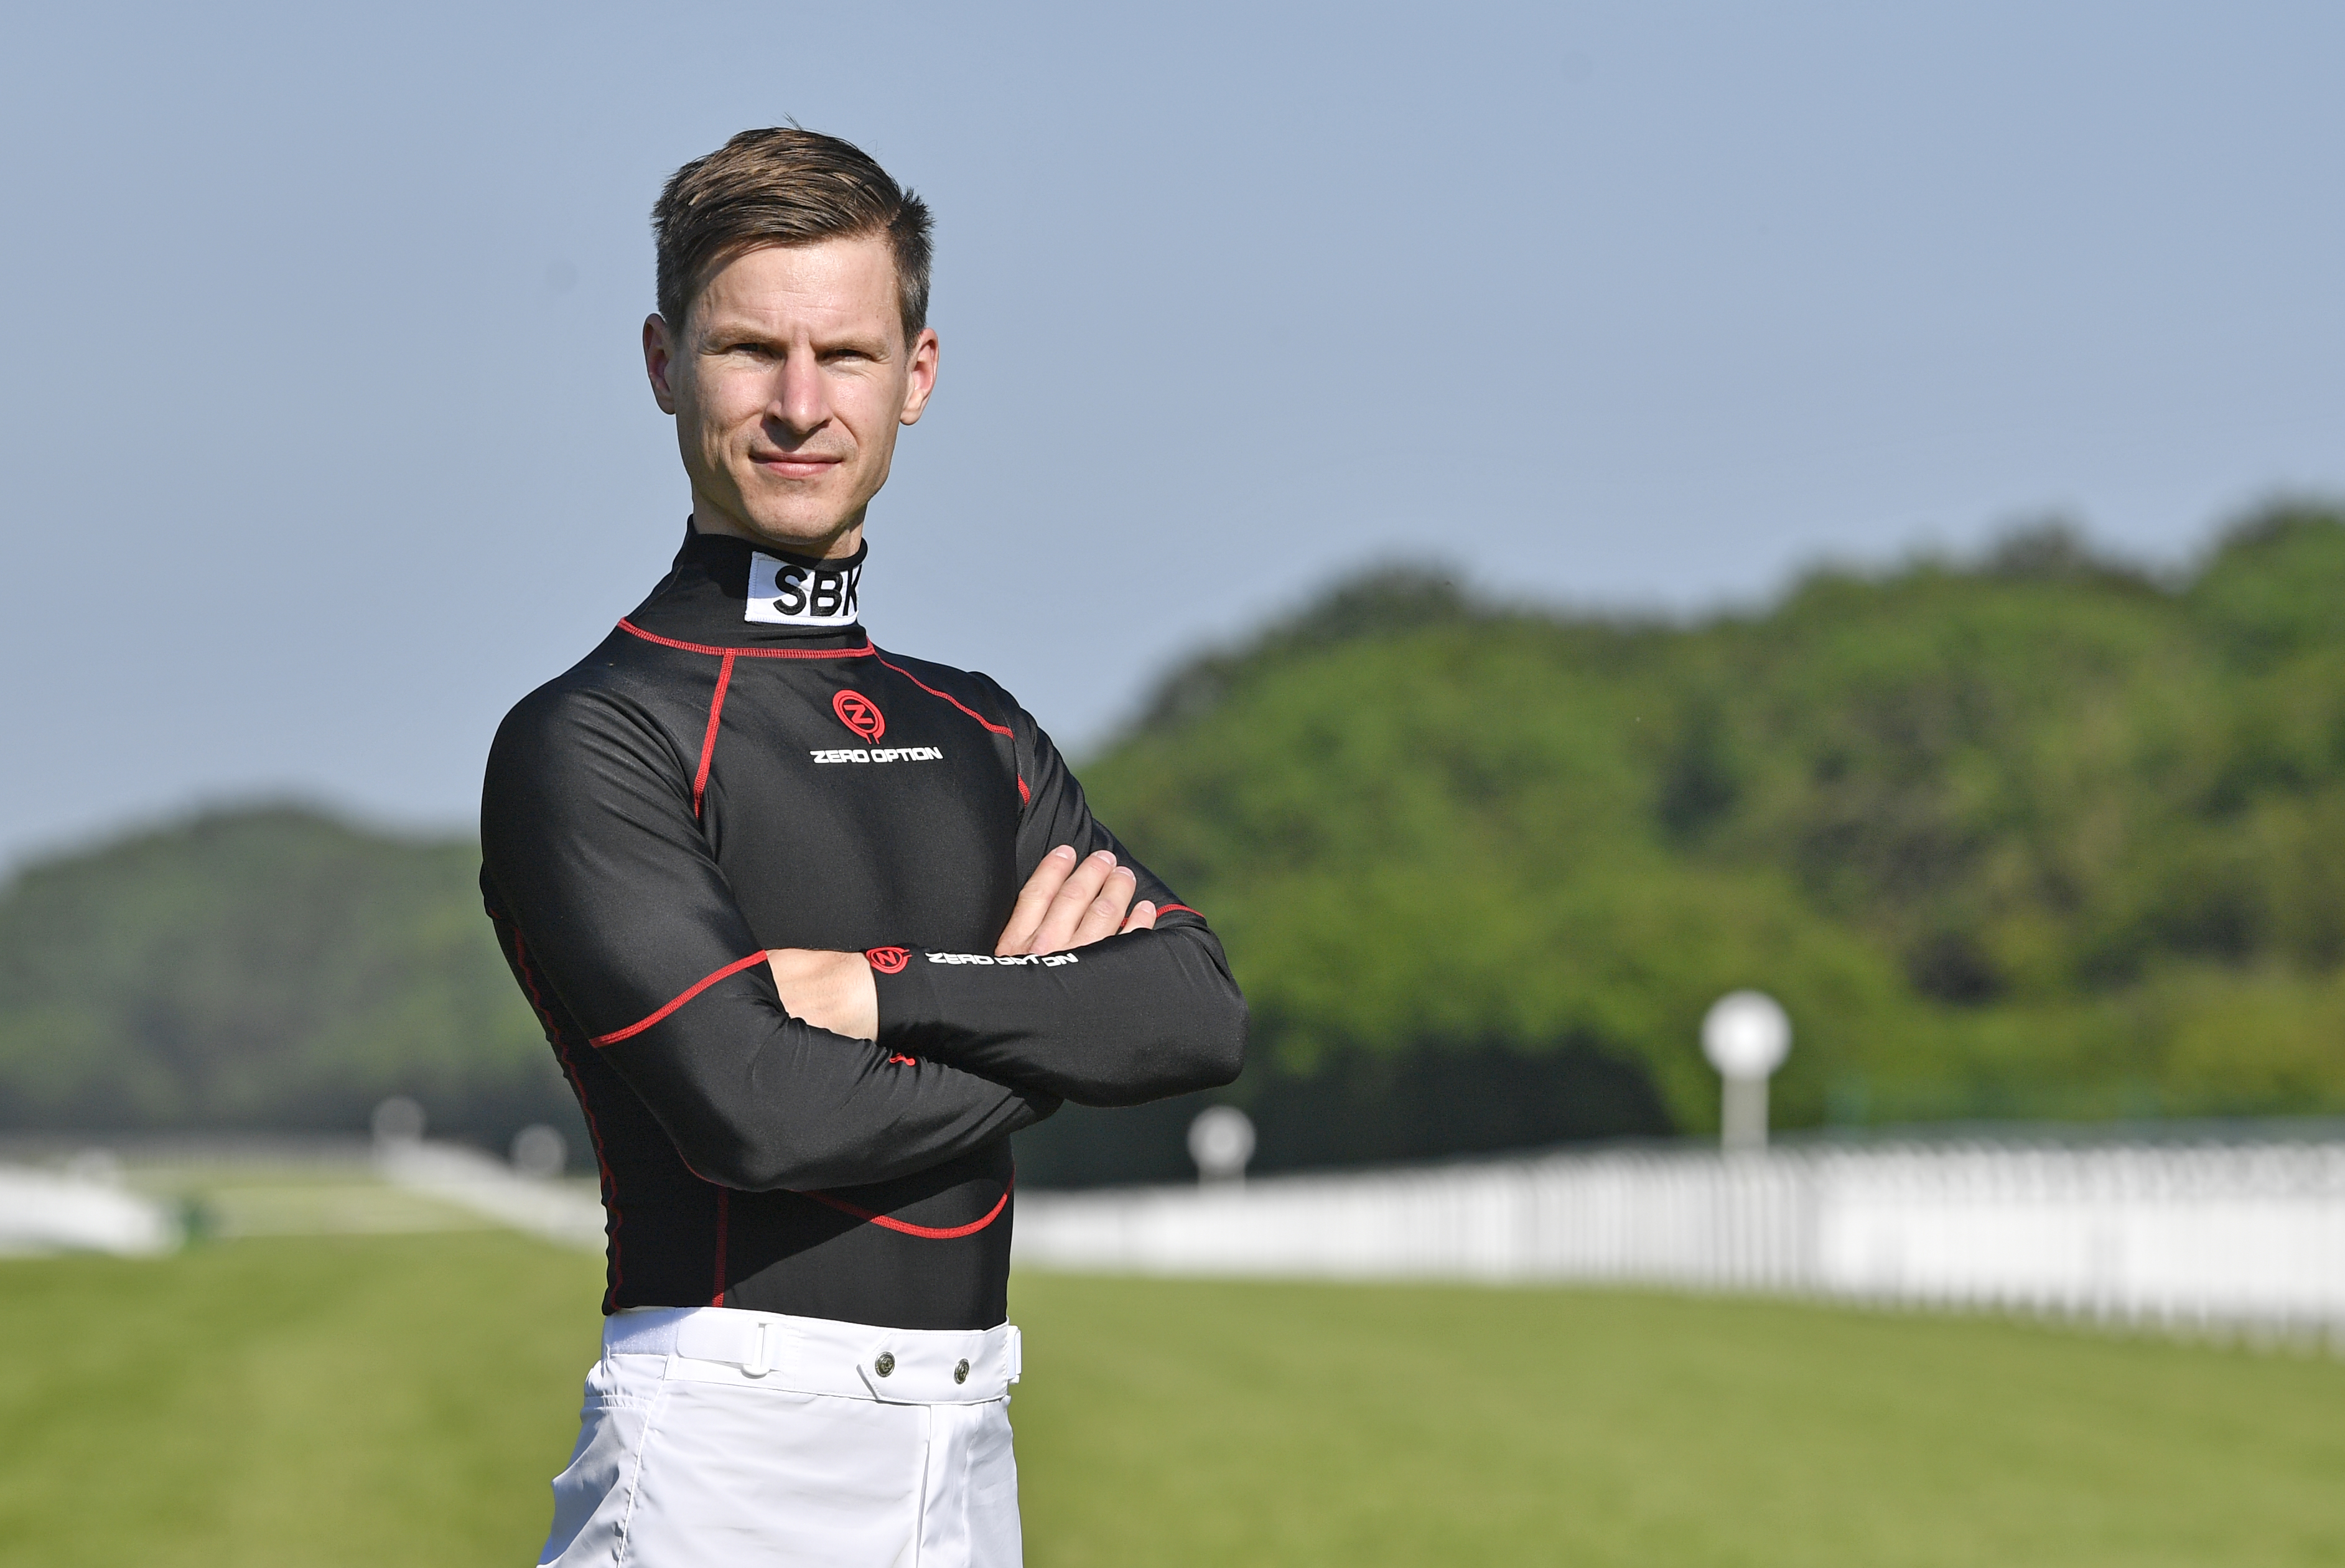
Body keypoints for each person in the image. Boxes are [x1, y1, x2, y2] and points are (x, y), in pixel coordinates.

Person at [479, 128, 1247, 1567]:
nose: (796, 404)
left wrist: (886, 987)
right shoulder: (589, 739)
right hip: (722, 1450)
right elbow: (760, 1112)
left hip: (970, 1454)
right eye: (746, 351)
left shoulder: (979, 727)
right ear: (661, 364)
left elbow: (1194, 1010)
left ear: (919, 373)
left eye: (844, 353)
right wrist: (1051, 1023)